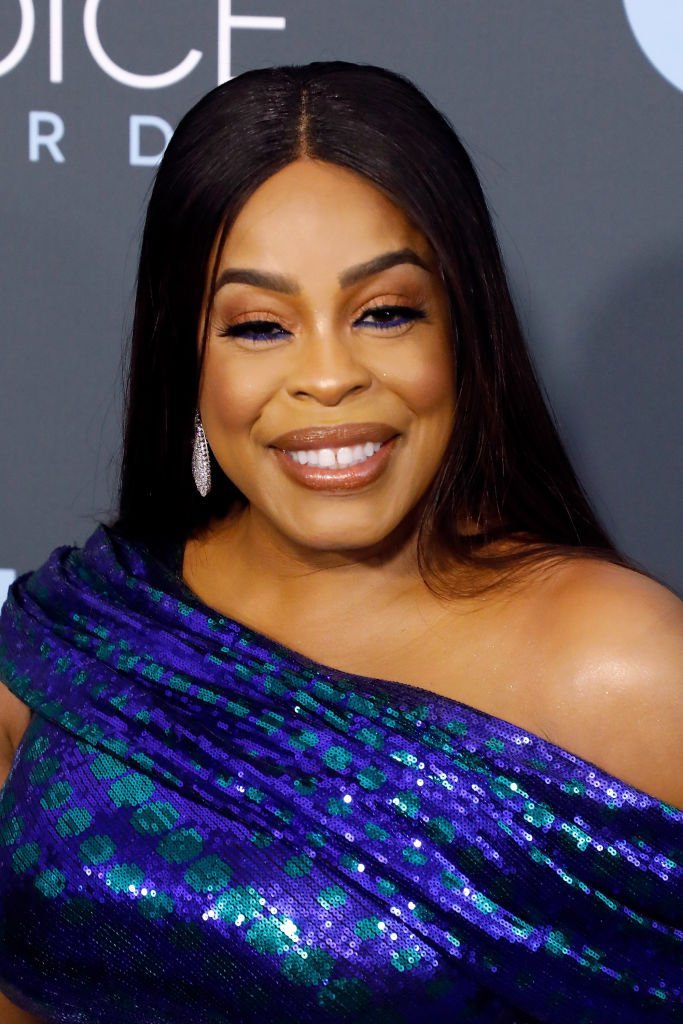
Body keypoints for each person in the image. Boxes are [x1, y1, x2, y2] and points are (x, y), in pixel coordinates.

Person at [0, 61, 680, 1024]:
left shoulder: (620, 667)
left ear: (462, 333)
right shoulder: (68, 640)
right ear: (185, 355)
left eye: (384, 313)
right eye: (259, 325)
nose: (326, 376)